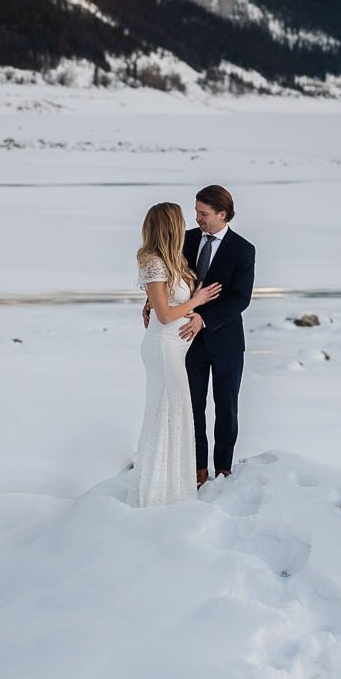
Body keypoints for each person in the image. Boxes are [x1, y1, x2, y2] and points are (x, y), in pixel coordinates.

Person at [130, 202, 220, 507]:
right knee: (169, 413)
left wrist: (193, 310)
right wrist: (196, 300)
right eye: (180, 221)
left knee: (175, 413)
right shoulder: (153, 262)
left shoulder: (172, 260)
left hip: (175, 349)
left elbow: (159, 302)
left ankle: (174, 488)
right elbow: (166, 314)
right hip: (163, 347)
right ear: (169, 225)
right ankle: (158, 494)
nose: (186, 225)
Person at [180, 185, 255, 483]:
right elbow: (172, 281)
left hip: (226, 342)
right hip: (187, 340)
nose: (197, 218)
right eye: (196, 211)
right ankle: (198, 469)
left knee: (226, 408)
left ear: (222, 214)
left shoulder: (243, 249)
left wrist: (205, 320)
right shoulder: (185, 240)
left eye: (203, 213)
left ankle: (223, 468)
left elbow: (241, 299)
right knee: (193, 407)